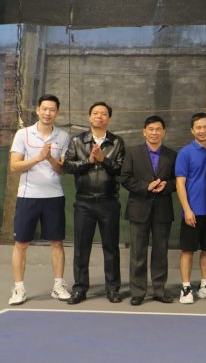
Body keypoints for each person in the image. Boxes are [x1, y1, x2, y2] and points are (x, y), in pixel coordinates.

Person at [8, 94, 71, 305]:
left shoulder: (63, 136)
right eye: (44, 109)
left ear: (57, 113)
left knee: (57, 243)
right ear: (37, 110)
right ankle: (19, 288)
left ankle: (58, 286)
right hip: (28, 196)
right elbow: (14, 166)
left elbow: (62, 170)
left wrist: (50, 158)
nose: (48, 113)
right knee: (21, 243)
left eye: (52, 109)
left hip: (54, 196)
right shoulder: (23, 134)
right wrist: (38, 158)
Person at [62, 101, 126, 305]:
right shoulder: (77, 140)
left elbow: (122, 170)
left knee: (111, 248)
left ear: (109, 118)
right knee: (81, 248)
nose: (99, 116)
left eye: (104, 113)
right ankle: (80, 288)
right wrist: (89, 161)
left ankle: (113, 289)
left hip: (109, 202)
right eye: (96, 113)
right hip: (84, 202)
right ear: (89, 117)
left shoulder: (117, 142)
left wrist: (103, 159)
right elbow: (67, 166)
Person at [121, 115, 177, 305]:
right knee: (138, 253)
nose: (154, 133)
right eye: (151, 129)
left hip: (162, 210)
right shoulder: (132, 153)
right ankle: (138, 291)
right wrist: (146, 186)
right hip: (138, 209)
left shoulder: (171, 155)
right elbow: (125, 178)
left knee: (160, 252)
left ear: (164, 132)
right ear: (144, 132)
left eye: (158, 129)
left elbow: (177, 181)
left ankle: (159, 290)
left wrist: (166, 186)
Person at [175, 112, 206, 304]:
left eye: (205, 127)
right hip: (192, 212)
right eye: (198, 127)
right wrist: (187, 209)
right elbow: (180, 183)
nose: (202, 130)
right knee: (187, 251)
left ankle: (204, 286)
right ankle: (186, 288)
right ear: (192, 130)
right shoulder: (185, 153)